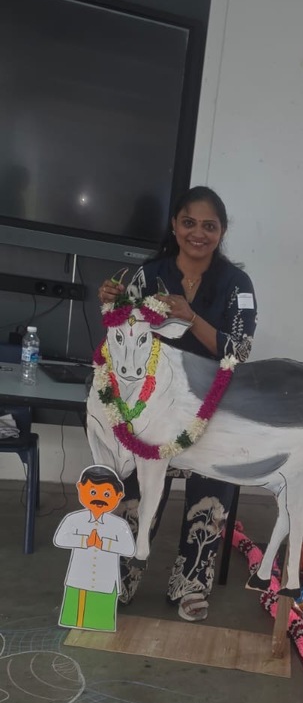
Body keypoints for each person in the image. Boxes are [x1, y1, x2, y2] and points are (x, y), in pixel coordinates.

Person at [97, 186, 257, 622]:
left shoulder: (236, 285)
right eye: (189, 223)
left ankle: (192, 580)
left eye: (209, 226)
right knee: (138, 488)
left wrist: (190, 317)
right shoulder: (148, 276)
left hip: (211, 406)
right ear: (174, 225)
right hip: (152, 406)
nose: (198, 233)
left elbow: (239, 351)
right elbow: (122, 336)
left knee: (211, 488)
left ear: (222, 231)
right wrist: (111, 304)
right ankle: (124, 573)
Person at [54, 466, 135, 631]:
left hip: (106, 581)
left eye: (106, 494)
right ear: (80, 488)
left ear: (119, 496)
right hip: (78, 579)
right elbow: (60, 539)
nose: (99, 498)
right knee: (76, 616)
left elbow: (129, 549)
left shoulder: (119, 525)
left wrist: (104, 544)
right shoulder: (74, 519)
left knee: (101, 619)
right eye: (92, 492)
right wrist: (85, 541)